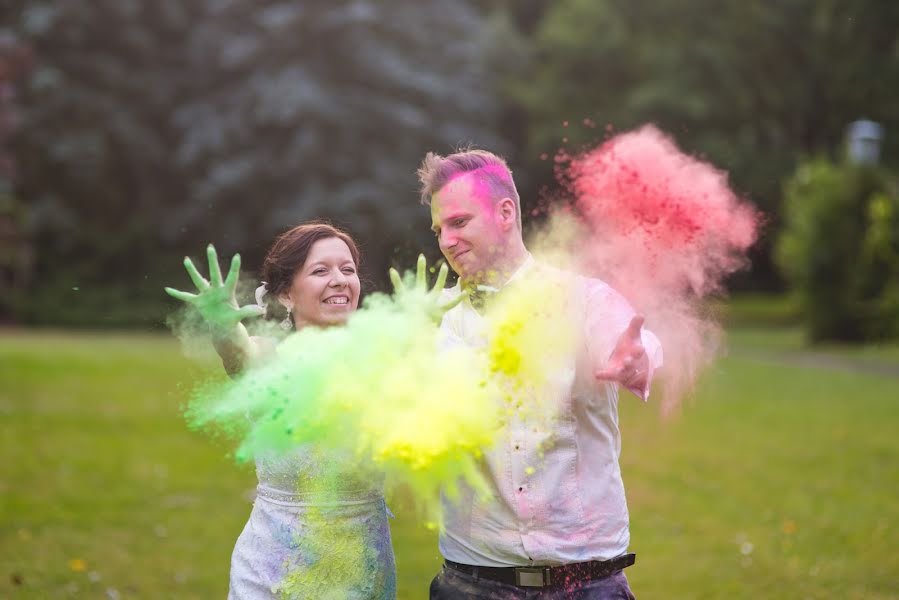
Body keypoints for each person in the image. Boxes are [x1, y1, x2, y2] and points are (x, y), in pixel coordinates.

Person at [419, 149, 664, 599]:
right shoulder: (432, 318)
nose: (446, 241)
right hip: (471, 582)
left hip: (588, 582)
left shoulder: (582, 297)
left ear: (505, 212)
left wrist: (637, 360)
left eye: (458, 222)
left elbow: (632, 340)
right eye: (439, 230)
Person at [165, 222, 397, 599]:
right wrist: (222, 328)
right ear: (287, 293)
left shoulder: (385, 363)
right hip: (272, 575)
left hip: (363, 571)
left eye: (348, 269)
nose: (339, 280)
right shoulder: (268, 357)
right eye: (321, 271)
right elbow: (237, 352)